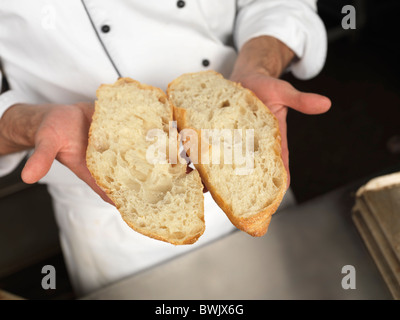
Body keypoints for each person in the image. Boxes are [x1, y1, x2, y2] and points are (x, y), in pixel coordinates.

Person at [0, 0, 331, 297]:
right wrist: (29, 124)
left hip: (239, 157)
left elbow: (280, 5)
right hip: (108, 224)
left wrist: (257, 68)